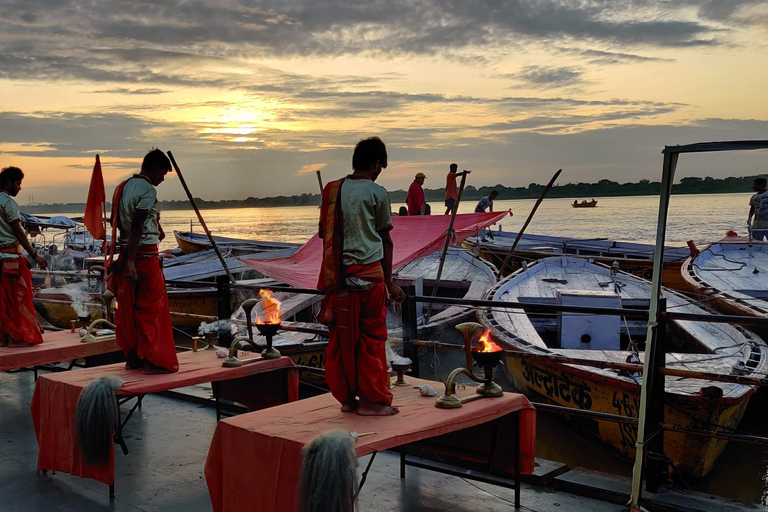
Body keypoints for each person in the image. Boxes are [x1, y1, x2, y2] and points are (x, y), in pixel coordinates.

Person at [317, 137, 406, 416]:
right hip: (369, 280)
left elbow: (324, 234)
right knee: (370, 342)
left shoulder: (331, 190)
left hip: (340, 279)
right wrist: (391, 283)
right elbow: (385, 241)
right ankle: (371, 402)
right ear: (377, 164)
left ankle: (348, 401)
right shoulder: (377, 193)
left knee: (342, 341)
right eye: (381, 167)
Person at [107, 149, 178, 374]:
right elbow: (137, 223)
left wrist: (127, 254)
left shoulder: (122, 187)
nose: (163, 179)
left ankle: (133, 359)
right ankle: (153, 361)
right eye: (163, 173)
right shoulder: (148, 189)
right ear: (155, 168)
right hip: (143, 257)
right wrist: (131, 260)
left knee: (128, 309)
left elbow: (116, 221)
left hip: (128, 251)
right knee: (151, 309)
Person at [0, 166, 47, 347]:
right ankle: (19, 338)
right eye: (18, 184)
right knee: (20, 299)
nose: (19, 188)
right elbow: (19, 232)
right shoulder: (8, 203)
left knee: (3, 302)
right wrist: (35, 256)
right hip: (11, 259)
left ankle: (6, 338)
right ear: (9, 183)